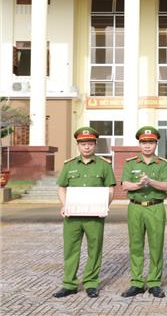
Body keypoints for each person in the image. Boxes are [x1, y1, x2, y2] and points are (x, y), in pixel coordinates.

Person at [53, 127, 115, 298]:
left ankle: (91, 283)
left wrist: (105, 205)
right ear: (78, 146)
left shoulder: (104, 165)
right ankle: (69, 284)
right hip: (72, 216)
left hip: (95, 216)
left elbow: (110, 189)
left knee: (94, 249)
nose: (86, 147)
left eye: (90, 144)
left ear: (95, 145)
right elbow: (61, 187)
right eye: (83, 144)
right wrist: (65, 205)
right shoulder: (69, 165)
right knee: (71, 249)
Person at [121, 126, 167, 298]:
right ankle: (136, 282)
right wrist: (139, 185)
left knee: (156, 245)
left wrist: (150, 181)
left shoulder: (163, 164)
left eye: (151, 142)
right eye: (144, 142)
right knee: (135, 244)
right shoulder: (131, 163)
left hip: (155, 206)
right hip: (135, 206)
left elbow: (166, 185)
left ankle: (154, 282)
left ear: (156, 144)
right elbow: (124, 185)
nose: (147, 146)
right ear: (139, 144)